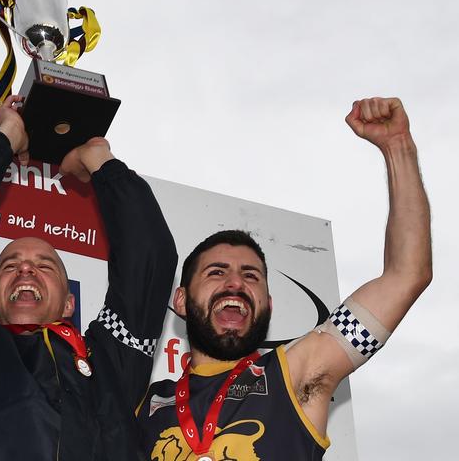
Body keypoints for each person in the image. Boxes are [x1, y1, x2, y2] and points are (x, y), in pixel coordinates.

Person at [136, 97, 432, 460]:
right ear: (180, 300)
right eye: (216, 272)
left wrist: (398, 146)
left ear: (268, 304)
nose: (235, 284)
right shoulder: (145, 406)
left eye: (251, 276)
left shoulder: (292, 375)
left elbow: (406, 275)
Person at [0, 95, 178, 460]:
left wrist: (100, 160)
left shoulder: (109, 362)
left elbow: (150, 256)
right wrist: (4, 137)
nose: (25, 269)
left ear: (68, 302)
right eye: (9, 265)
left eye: (45, 266)